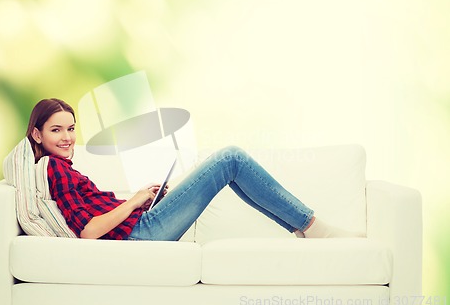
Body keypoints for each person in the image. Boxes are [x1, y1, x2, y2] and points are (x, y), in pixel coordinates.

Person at [27, 98, 361, 241]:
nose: (68, 137)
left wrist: (142, 199)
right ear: (36, 134)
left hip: (140, 225)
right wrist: (132, 203)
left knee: (231, 166)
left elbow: (95, 215)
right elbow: (88, 232)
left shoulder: (63, 168)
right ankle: (313, 227)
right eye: (57, 130)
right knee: (230, 158)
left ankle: (305, 228)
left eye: (71, 128)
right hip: (141, 235)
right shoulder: (53, 169)